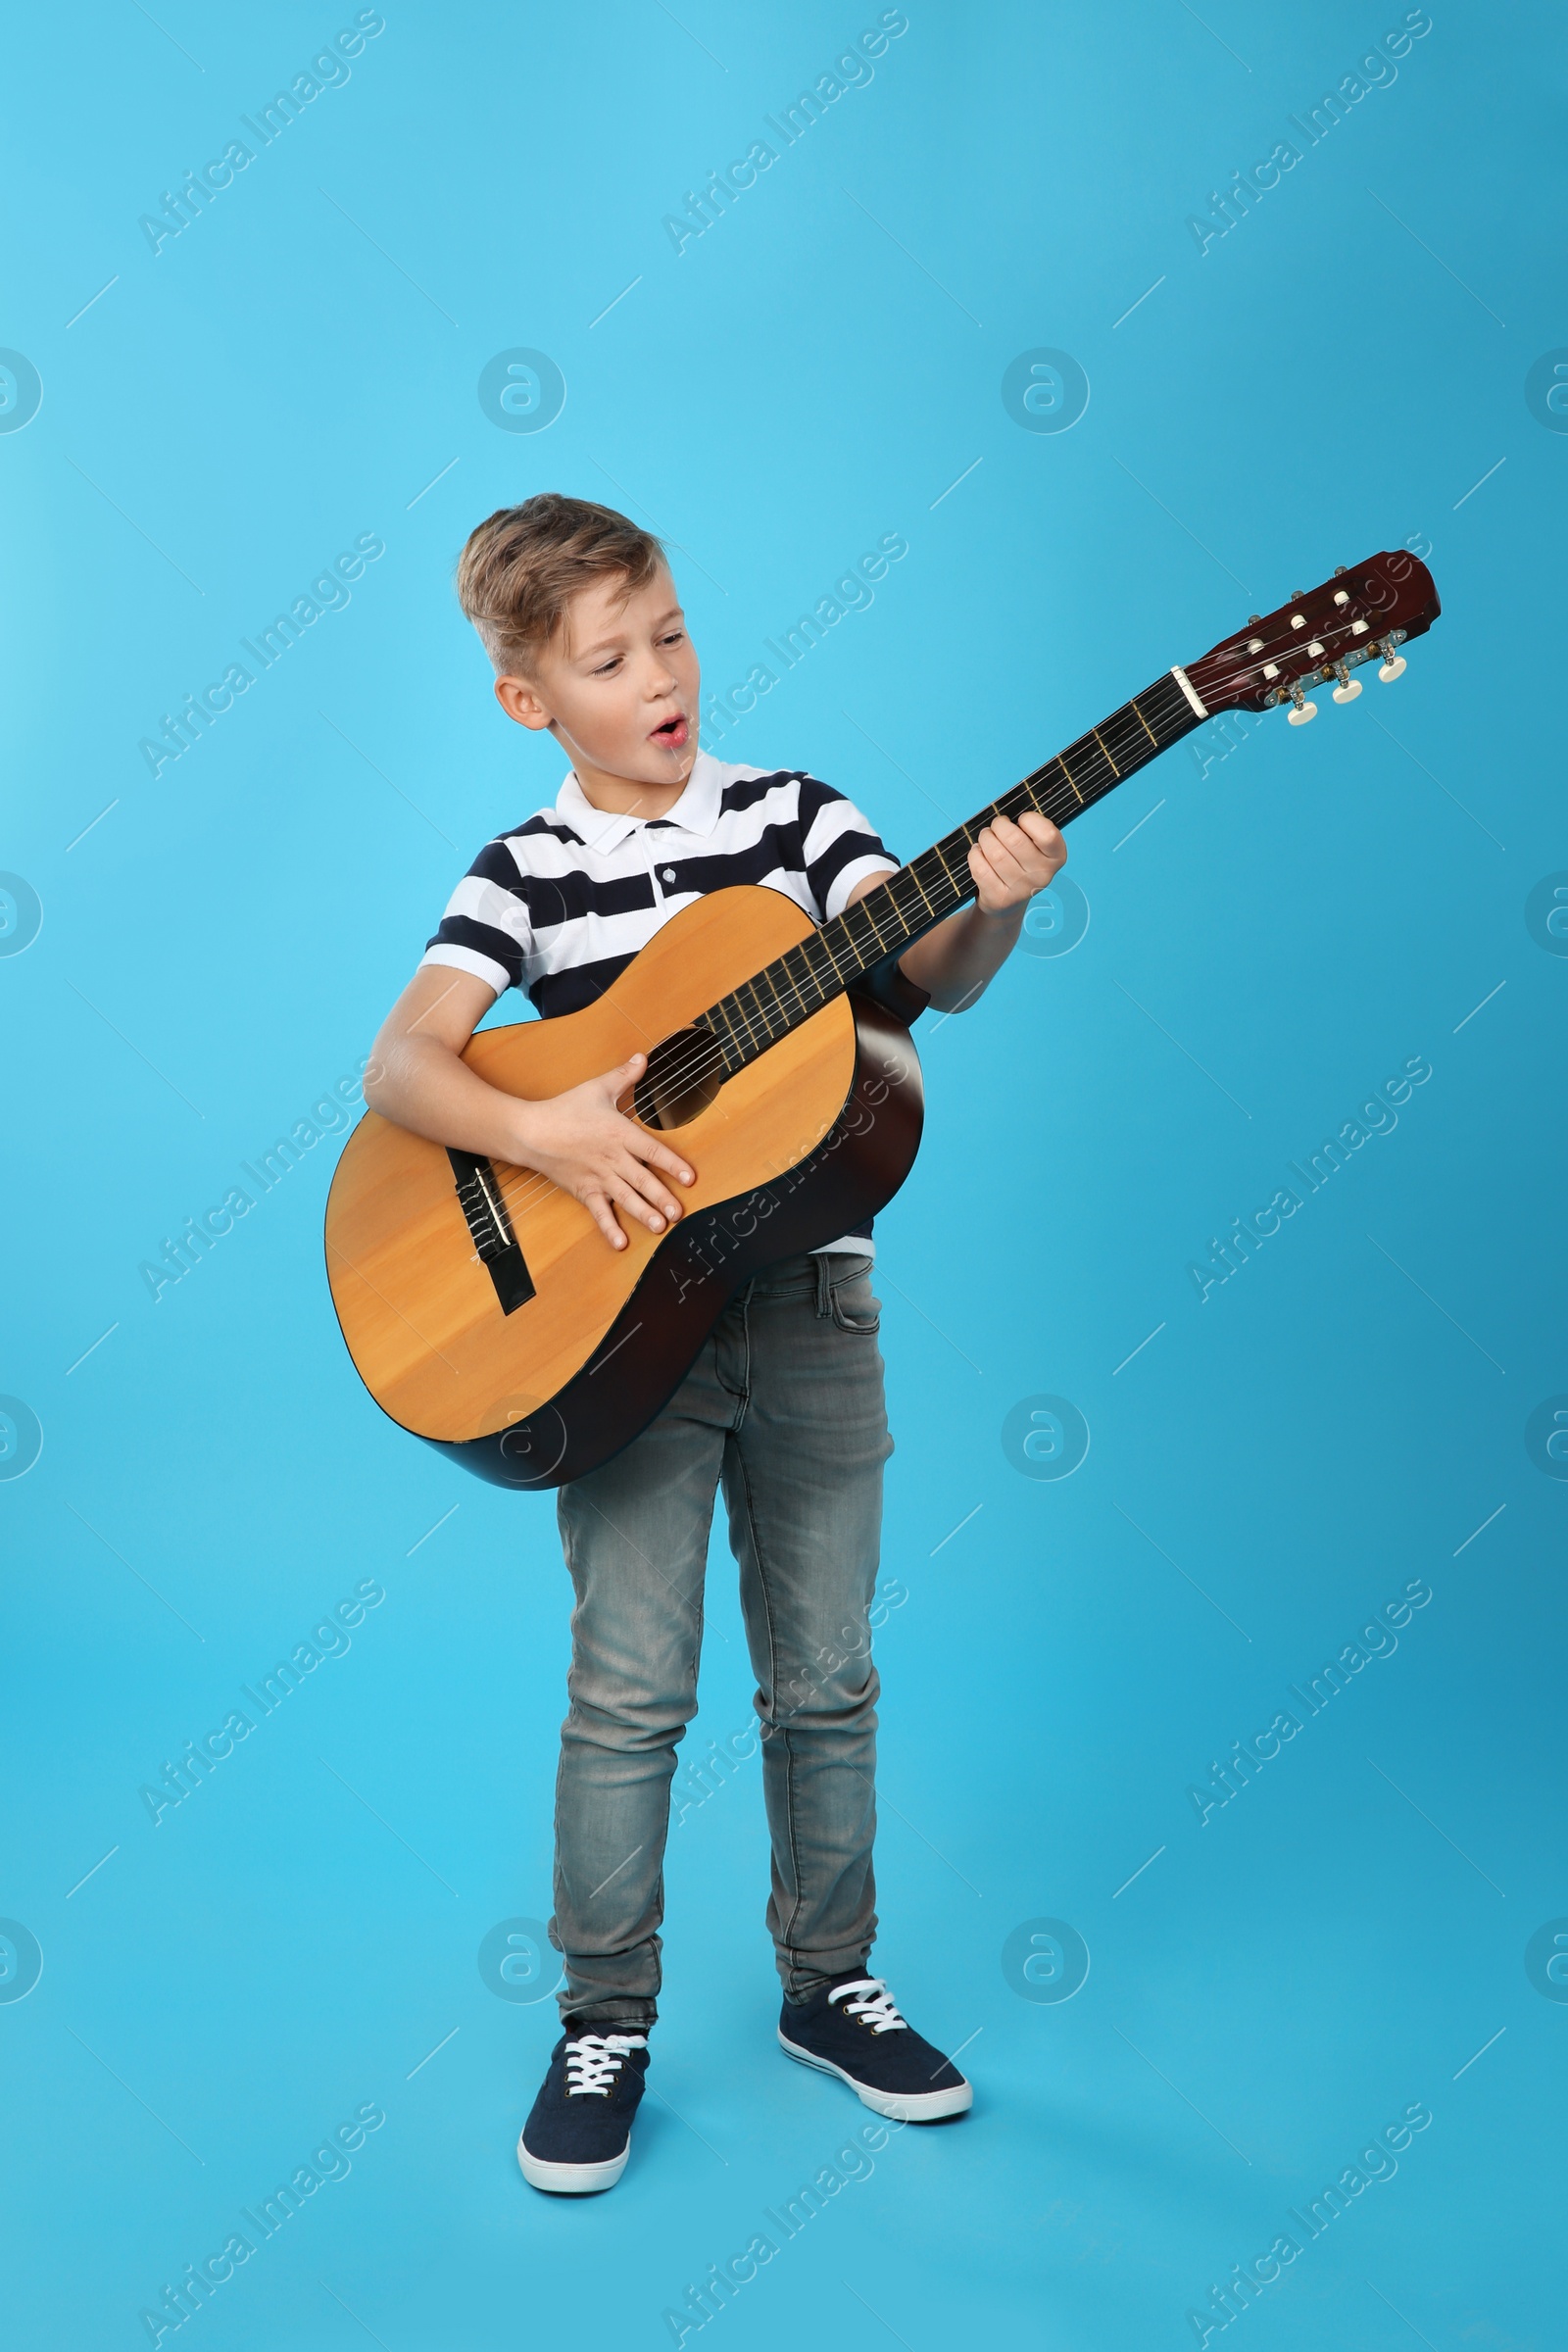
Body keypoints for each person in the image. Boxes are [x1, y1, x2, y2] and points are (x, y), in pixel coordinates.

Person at [365, 494, 1066, 2193]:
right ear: (535, 698)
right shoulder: (520, 872)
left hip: (815, 1307)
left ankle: (830, 1986)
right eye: (610, 658)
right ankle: (602, 2015)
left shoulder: (797, 817)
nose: (662, 673)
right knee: (629, 1696)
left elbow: (930, 982)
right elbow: (405, 1069)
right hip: (627, 1336)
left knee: (825, 1679)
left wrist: (999, 899)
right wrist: (552, 1138)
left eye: (670, 630)